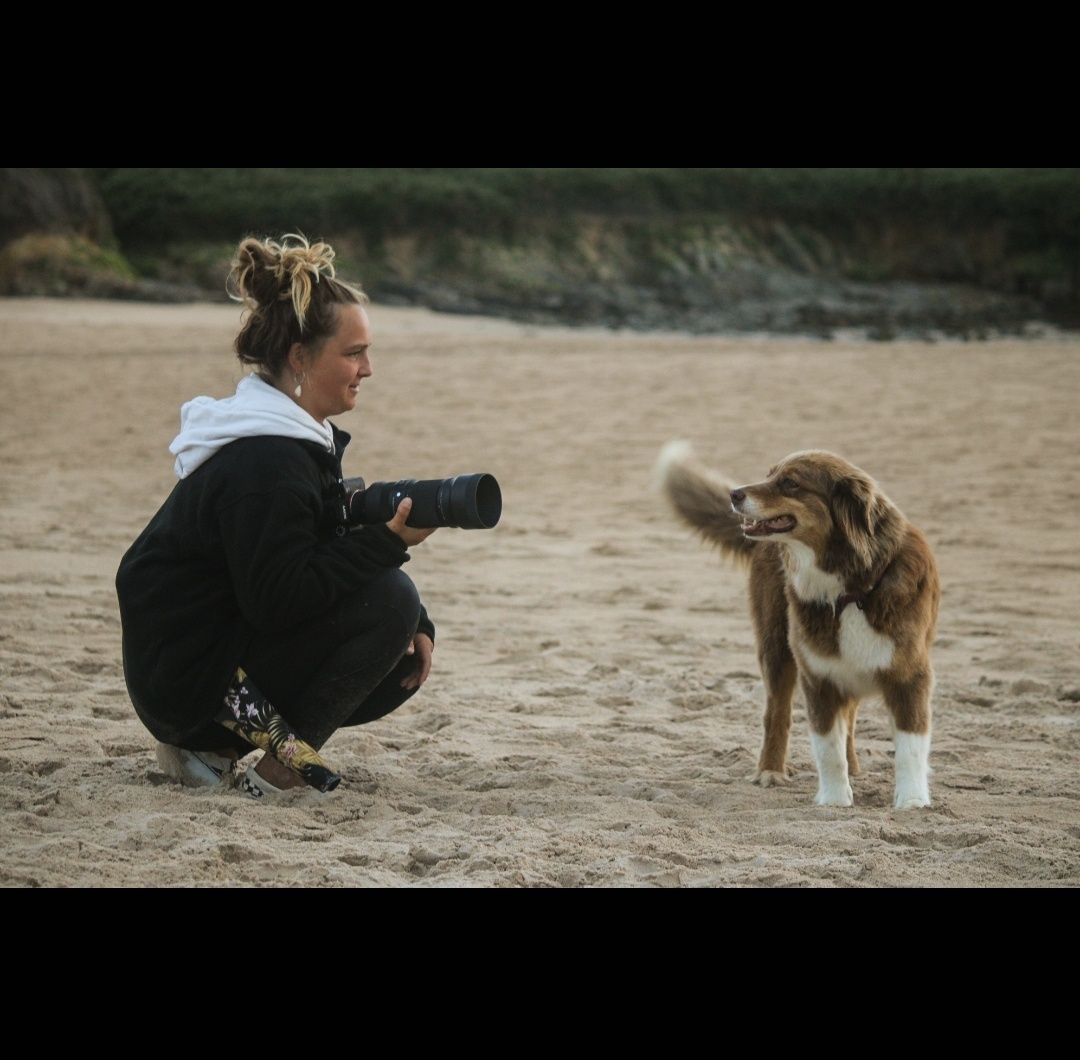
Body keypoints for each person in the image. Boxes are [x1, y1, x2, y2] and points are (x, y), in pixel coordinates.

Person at [116, 233, 436, 798]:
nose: (368, 368)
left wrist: (418, 621)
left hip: (197, 663)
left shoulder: (288, 440)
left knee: (401, 626)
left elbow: (313, 550)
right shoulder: (266, 462)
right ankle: (258, 762)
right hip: (186, 684)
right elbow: (279, 599)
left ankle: (212, 750)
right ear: (299, 359)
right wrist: (387, 546)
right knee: (391, 601)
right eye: (354, 352)